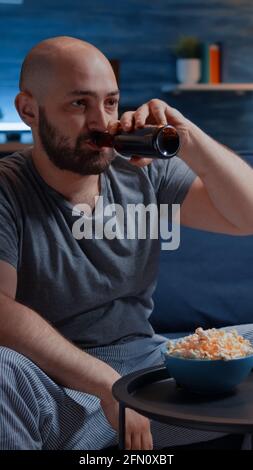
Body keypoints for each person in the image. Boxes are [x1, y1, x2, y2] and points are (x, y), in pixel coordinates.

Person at [0, 36, 253, 451]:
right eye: (79, 104)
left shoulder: (142, 173)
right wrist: (106, 384)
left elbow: (247, 216)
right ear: (29, 110)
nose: (102, 122)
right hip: (60, 391)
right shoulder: (7, 189)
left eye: (111, 102)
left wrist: (187, 136)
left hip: (150, 379)